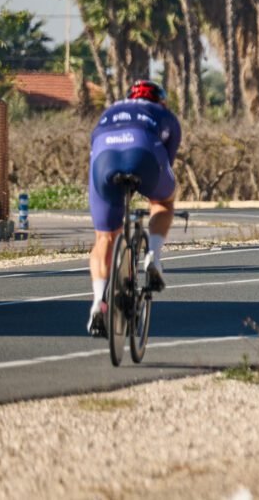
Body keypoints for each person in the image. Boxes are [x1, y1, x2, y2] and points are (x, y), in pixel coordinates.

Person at [86, 80, 181, 337]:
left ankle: (98, 302)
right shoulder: (164, 114)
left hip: (104, 158)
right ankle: (153, 256)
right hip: (144, 154)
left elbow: (93, 147)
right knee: (162, 201)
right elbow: (167, 160)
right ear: (159, 99)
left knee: (104, 236)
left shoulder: (110, 111)